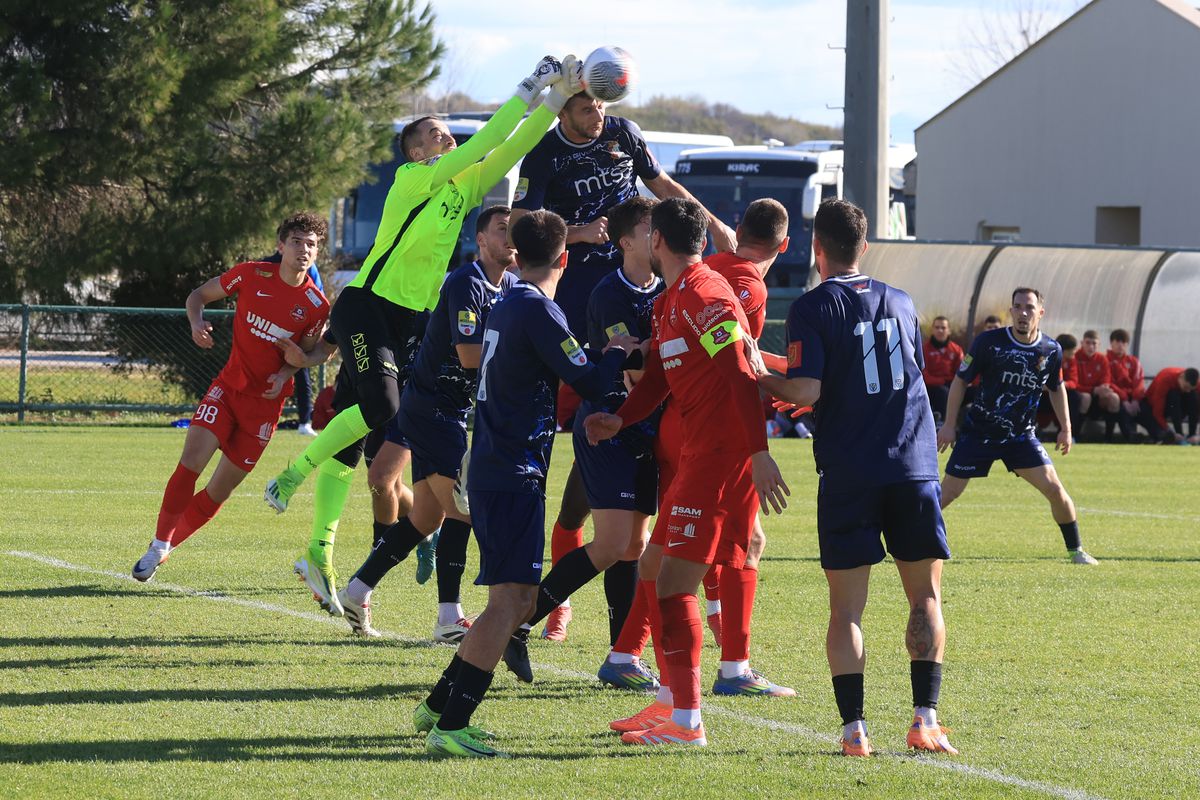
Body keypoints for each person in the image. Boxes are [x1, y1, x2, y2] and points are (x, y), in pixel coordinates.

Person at [262, 55, 583, 612]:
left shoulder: (463, 183)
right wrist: (529, 88)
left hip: (413, 319)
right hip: (368, 305)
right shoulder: (413, 179)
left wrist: (554, 103)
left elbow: (510, 147)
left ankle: (331, 553)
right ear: (416, 151)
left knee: (381, 434)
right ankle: (293, 474)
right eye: (434, 131)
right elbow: (487, 138)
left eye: (444, 130)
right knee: (384, 407)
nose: (444, 134)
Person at [511, 90, 737, 641]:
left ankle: (624, 649)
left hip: (636, 415)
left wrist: (712, 225)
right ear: (563, 111)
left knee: (636, 540)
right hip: (611, 405)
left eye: (600, 105)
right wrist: (580, 232)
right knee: (618, 538)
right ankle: (531, 618)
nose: (598, 115)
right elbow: (524, 220)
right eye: (585, 107)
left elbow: (667, 190)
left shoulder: (665, 288)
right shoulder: (607, 292)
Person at [413, 210, 638, 758]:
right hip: (512, 468)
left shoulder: (508, 300)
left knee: (509, 602)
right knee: (511, 603)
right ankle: (452, 725)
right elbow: (585, 377)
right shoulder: (536, 306)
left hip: (496, 461)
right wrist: (617, 350)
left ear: (515, 253)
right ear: (565, 258)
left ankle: (439, 705)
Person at [584, 198, 789, 748]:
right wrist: (619, 418)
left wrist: (758, 451)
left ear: (657, 243)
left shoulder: (705, 296)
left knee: (673, 583)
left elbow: (743, 374)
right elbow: (658, 378)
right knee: (652, 569)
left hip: (722, 456)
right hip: (698, 452)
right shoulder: (670, 299)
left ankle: (688, 722)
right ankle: (674, 699)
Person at [757, 198, 956, 758]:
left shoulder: (812, 307)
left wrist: (757, 377)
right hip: (913, 466)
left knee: (846, 610)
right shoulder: (903, 299)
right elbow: (897, 373)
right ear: (864, 246)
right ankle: (925, 719)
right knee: (925, 598)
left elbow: (807, 390)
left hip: (849, 469)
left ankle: (854, 732)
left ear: (814, 248)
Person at [335, 206, 518, 639]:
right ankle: (448, 618)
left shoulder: (510, 286)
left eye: (515, 230)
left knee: (426, 519)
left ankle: (357, 589)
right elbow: (471, 356)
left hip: (450, 411)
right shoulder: (466, 282)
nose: (511, 236)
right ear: (480, 240)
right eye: (501, 229)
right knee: (464, 511)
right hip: (433, 407)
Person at [133, 213, 331, 581]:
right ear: (281, 245)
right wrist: (196, 323)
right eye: (297, 242)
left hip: (265, 409)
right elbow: (198, 296)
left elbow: (304, 356)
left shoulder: (316, 305)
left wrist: (288, 370)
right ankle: (159, 544)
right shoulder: (252, 274)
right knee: (190, 461)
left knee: (218, 491)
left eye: (312, 244)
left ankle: (168, 545)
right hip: (227, 390)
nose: (304, 250)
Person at [937, 288, 1099, 565]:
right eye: (1018, 307)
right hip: (979, 434)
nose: (1023, 313)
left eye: (1029, 307)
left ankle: (1076, 551)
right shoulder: (989, 342)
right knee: (947, 494)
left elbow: (1056, 388)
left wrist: (1066, 428)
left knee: (1054, 489)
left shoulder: (1051, 350)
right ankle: (909, 542)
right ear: (1011, 311)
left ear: (1040, 313)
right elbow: (960, 381)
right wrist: (950, 425)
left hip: (1020, 437)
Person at [1073, 330, 1120, 437]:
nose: (1091, 347)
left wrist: (1104, 387)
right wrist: (1093, 390)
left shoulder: (1102, 359)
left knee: (1114, 398)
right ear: (1082, 343)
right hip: (1081, 395)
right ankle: (1075, 436)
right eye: (1088, 343)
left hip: (1098, 397)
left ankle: (1109, 439)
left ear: (1099, 345)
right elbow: (1074, 384)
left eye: (1094, 343)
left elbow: (1106, 379)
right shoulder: (1075, 357)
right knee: (1086, 398)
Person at [1138, 366, 1200, 444]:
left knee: (1193, 396)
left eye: (1190, 388)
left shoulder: (1196, 385)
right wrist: (1170, 431)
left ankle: (1192, 435)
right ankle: (1179, 433)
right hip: (1157, 407)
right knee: (1174, 395)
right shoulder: (1165, 379)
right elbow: (1157, 412)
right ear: (1181, 377)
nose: (1187, 391)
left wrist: (1198, 437)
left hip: (1179, 407)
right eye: (1186, 387)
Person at [922, 316, 963, 427]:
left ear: (949, 330)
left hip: (951, 384)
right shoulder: (924, 349)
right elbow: (922, 374)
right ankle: (942, 423)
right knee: (943, 392)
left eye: (943, 328)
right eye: (937, 327)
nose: (940, 330)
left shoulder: (956, 350)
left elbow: (961, 371)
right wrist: (941, 381)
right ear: (932, 329)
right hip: (931, 387)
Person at [1106, 329, 1143, 442]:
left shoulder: (1133, 361)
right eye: (1117, 342)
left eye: (1124, 342)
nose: (1120, 345)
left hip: (1132, 397)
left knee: (1145, 409)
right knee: (1121, 409)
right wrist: (1125, 399)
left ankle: (1161, 434)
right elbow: (1108, 382)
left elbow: (1139, 381)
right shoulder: (1105, 360)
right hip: (1118, 397)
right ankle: (1130, 436)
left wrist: (1136, 399)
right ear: (1111, 343)